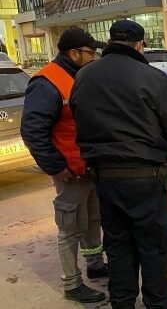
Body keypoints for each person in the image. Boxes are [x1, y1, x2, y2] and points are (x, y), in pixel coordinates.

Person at [70, 20, 167, 309]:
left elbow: (78, 118)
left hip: (105, 178)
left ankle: (122, 303)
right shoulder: (151, 77)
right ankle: (158, 304)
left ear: (110, 41)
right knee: (153, 245)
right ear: (140, 45)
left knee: (118, 244)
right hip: (145, 177)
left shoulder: (84, 76)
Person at [20, 28, 108, 303]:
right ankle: (72, 284)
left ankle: (94, 266)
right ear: (73, 53)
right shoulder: (47, 82)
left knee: (92, 220)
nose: (93, 58)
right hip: (69, 171)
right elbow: (32, 130)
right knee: (70, 228)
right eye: (90, 53)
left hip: (89, 168)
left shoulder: (79, 76)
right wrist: (55, 166)